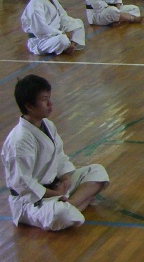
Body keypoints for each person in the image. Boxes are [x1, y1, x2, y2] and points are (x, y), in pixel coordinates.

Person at [2, 75, 109, 231]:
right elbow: (22, 183)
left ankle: (72, 204)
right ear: (29, 106)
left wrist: (65, 179)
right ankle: (73, 205)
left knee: (97, 172)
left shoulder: (47, 125)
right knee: (62, 214)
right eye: (44, 100)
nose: (50, 104)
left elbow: (59, 156)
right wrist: (54, 194)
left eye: (49, 98)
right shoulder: (19, 140)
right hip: (30, 201)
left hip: (56, 188)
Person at [21, 0, 85, 55]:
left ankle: (71, 45)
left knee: (78, 23)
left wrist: (69, 28)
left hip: (56, 32)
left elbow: (63, 16)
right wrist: (61, 33)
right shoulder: (35, 5)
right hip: (41, 40)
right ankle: (65, 45)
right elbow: (41, 30)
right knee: (62, 40)